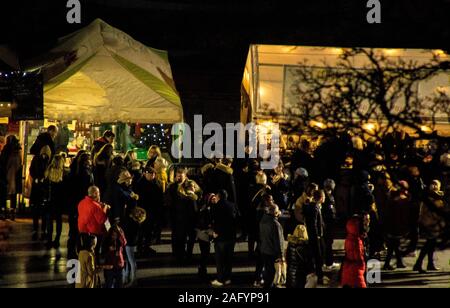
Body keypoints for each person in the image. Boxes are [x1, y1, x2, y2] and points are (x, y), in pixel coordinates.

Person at [414, 180, 447, 273]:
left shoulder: (439, 196)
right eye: (432, 184)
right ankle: (418, 263)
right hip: (430, 224)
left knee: (431, 244)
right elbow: (424, 212)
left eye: (436, 184)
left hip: (435, 223)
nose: (434, 186)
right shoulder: (429, 198)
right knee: (429, 244)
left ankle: (429, 264)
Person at [210, 190, 239, 287]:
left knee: (220, 260)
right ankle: (228, 278)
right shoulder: (233, 205)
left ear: (218, 197)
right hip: (231, 236)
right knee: (228, 259)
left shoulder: (216, 207)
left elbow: (215, 221)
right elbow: (237, 219)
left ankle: (220, 279)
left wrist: (215, 232)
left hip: (220, 237)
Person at [135, 166, 164, 254]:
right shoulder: (140, 184)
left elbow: (160, 197)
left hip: (153, 210)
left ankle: (147, 246)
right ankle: (140, 247)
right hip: (143, 210)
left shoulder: (157, 183)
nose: (153, 175)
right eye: (150, 174)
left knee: (149, 230)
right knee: (142, 230)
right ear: (145, 174)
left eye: (154, 174)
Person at [383, 181, 410, 270]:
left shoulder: (392, 196)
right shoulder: (401, 199)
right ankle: (392, 263)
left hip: (392, 225)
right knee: (394, 244)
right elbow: (402, 215)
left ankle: (398, 262)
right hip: (396, 225)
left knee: (394, 245)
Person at [259, 204, 285, 289]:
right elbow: (279, 241)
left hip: (264, 249)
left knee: (267, 270)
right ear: (276, 212)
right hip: (271, 251)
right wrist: (281, 255)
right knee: (272, 272)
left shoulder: (263, 220)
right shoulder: (275, 224)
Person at [78, 186, 110, 253]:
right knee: (95, 251)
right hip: (94, 232)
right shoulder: (95, 206)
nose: (99, 194)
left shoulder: (81, 202)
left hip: (83, 230)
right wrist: (105, 208)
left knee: (86, 250)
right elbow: (102, 220)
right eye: (98, 193)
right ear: (95, 193)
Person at [44, 154, 66, 249]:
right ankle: (57, 239)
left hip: (50, 200)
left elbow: (44, 186)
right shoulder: (63, 173)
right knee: (58, 220)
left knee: (49, 220)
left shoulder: (48, 172)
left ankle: (49, 239)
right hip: (60, 201)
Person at [29, 145, 52, 241]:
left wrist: (42, 179)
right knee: (37, 209)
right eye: (43, 154)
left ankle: (42, 229)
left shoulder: (48, 161)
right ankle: (36, 229)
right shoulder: (39, 159)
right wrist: (36, 178)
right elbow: (31, 170)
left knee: (42, 210)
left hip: (42, 188)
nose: (44, 156)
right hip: (38, 187)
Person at [303, 189, 326, 284]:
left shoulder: (312, 206)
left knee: (315, 256)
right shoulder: (315, 207)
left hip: (312, 235)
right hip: (315, 236)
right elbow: (314, 223)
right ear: (321, 198)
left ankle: (316, 275)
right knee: (318, 256)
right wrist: (318, 235)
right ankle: (319, 276)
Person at [0, 135, 23, 221]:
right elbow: (20, 164)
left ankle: (4, 212)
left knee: (4, 194)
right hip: (16, 175)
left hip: (6, 175)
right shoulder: (18, 151)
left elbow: (2, 163)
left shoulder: (6, 150)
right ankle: (12, 212)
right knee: (13, 195)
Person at [123, 206, 146, 288]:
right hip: (131, 243)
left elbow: (127, 231)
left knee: (131, 261)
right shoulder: (136, 223)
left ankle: (133, 279)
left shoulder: (132, 222)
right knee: (129, 261)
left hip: (129, 243)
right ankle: (127, 277)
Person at [341, 216, 367, 288]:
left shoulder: (349, 237)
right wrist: (362, 265)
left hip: (348, 269)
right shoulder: (356, 241)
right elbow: (358, 257)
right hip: (355, 271)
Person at [196, 193, 215, 280]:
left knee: (205, 252)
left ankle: (202, 269)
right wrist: (209, 227)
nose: (214, 200)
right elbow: (204, 222)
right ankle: (202, 269)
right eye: (212, 199)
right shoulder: (206, 209)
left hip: (202, 233)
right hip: (204, 233)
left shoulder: (205, 208)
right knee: (205, 252)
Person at [102, 224, 127, 288]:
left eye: (116, 235)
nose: (114, 236)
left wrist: (121, 232)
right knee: (109, 285)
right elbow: (103, 253)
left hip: (119, 266)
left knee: (119, 285)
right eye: (113, 235)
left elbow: (124, 242)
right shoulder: (107, 241)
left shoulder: (120, 240)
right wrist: (109, 250)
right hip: (110, 267)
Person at [322, 179, 338, 270]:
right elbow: (329, 210)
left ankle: (328, 261)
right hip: (327, 222)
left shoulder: (329, 195)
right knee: (328, 242)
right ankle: (329, 262)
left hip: (329, 221)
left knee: (328, 242)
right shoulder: (327, 196)